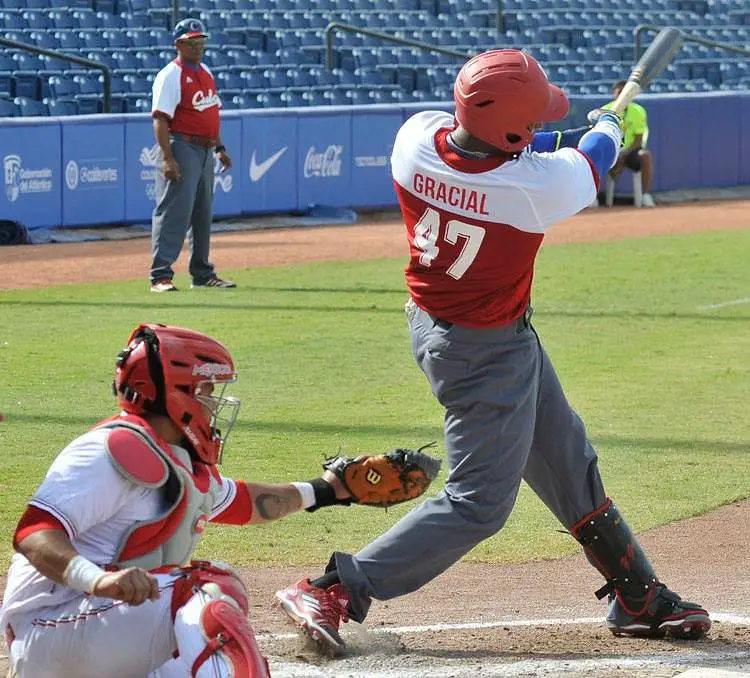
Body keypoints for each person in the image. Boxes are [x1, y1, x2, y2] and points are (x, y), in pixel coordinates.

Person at [274, 49, 710, 655]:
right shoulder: (536, 188)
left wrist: (549, 134)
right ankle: (333, 589)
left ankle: (634, 592)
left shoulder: (415, 139)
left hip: (451, 326)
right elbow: (591, 161)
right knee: (479, 503)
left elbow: (510, 147)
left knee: (564, 454)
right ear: (511, 131)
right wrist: (606, 126)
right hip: (481, 353)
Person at [1, 323, 357, 677]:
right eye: (206, 391)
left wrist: (328, 489)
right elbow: (34, 533)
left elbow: (243, 502)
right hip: (51, 626)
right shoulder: (108, 451)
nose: (213, 405)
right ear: (176, 392)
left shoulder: (172, 459)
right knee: (209, 588)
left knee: (197, 664)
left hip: (100, 625)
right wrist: (95, 579)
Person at [150, 18, 236, 293]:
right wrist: (167, 157)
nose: (198, 46)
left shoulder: (206, 71)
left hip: (206, 148)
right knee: (174, 211)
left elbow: (210, 112)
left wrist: (220, 147)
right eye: (192, 42)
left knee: (202, 213)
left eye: (201, 41)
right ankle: (160, 275)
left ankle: (202, 272)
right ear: (179, 44)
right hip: (182, 146)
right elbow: (161, 119)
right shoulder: (170, 75)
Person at [603, 79, 656, 208]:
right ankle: (594, 198)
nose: (623, 96)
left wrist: (624, 155)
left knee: (645, 155)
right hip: (612, 150)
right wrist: (615, 154)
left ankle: (646, 195)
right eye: (620, 92)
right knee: (594, 156)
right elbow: (602, 137)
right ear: (613, 94)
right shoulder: (605, 110)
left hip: (631, 152)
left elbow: (639, 138)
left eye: (626, 93)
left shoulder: (638, 111)